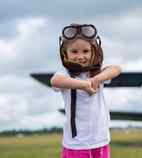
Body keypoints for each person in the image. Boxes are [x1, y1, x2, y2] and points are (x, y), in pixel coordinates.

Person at [50, 23, 121, 158]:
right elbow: (55, 81)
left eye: (85, 51)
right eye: (74, 51)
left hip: (100, 139)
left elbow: (116, 69)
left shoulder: (96, 73)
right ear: (65, 53)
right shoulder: (66, 73)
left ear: (94, 51)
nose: (80, 56)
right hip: (77, 143)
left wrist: (96, 79)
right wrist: (83, 85)